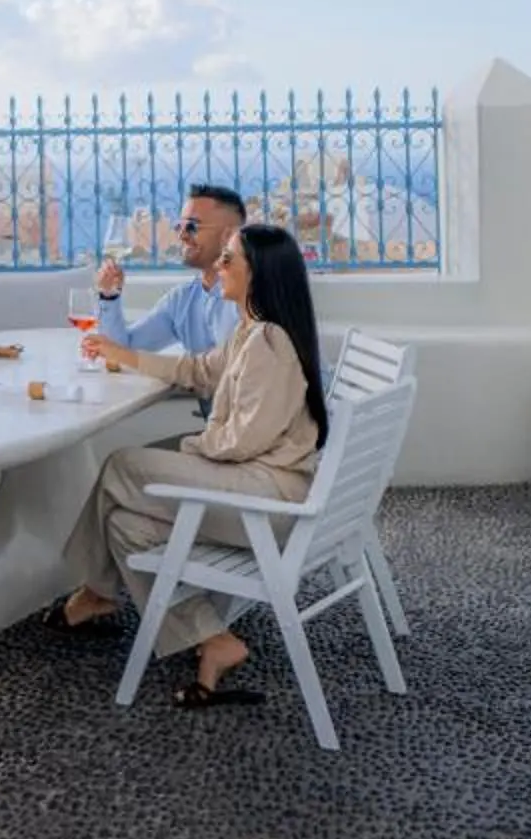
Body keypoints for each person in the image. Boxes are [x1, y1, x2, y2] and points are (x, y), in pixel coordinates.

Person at [52, 222, 330, 707]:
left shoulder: (270, 345)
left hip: (266, 503)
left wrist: (190, 449)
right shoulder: (252, 331)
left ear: (257, 274)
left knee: (121, 466)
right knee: (124, 523)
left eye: (229, 260)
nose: (217, 268)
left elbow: (240, 442)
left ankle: (95, 590)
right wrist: (127, 356)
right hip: (258, 487)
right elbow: (197, 370)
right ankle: (214, 640)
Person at [93, 183, 246, 359]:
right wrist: (109, 296)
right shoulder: (182, 301)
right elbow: (122, 350)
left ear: (229, 236)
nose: (182, 236)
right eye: (179, 226)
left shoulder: (250, 298)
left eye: (192, 227)